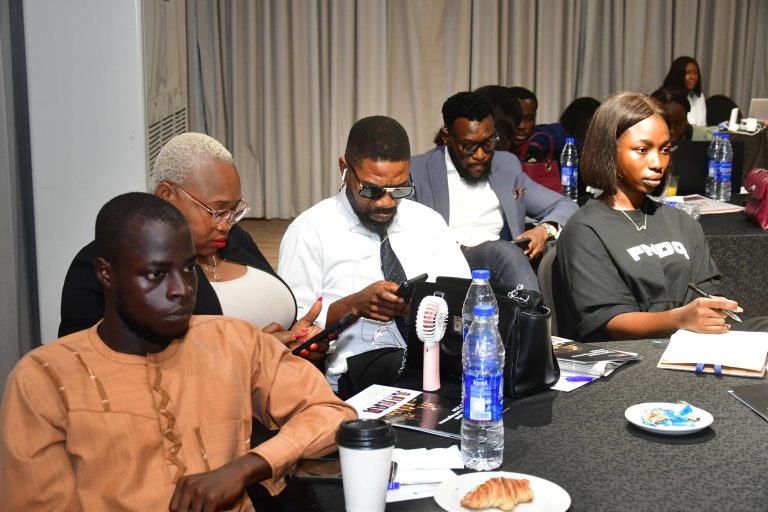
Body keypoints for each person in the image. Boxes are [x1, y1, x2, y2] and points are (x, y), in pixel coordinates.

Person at [0, 192, 356, 510]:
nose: (181, 289)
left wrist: (248, 466)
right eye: (157, 274)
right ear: (106, 275)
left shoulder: (234, 340)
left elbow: (331, 414)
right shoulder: (45, 380)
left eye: (188, 269)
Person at [58, 133, 325, 362]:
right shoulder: (110, 262)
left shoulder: (234, 240)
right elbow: (93, 367)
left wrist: (296, 338)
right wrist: (251, 355)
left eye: (234, 211)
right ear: (167, 195)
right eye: (217, 211)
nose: (227, 224)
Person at [277, 116, 470, 397]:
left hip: (433, 353)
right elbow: (294, 332)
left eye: (400, 188)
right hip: (355, 369)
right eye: (372, 190)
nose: (386, 202)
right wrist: (352, 307)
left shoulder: (429, 222)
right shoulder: (310, 230)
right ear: (344, 169)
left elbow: (464, 301)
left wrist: (418, 308)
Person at [554, 92, 743, 341]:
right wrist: (680, 319)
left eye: (664, 150)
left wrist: (709, 312)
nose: (657, 163)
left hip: (691, 348)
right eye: (642, 150)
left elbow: (707, 292)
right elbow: (608, 321)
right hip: (626, 357)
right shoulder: (585, 230)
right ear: (608, 151)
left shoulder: (682, 222)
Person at [410, 91, 577, 290]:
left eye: (488, 143)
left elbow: (565, 205)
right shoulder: (417, 170)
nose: (481, 155)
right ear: (447, 137)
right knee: (503, 252)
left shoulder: (506, 165)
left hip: (499, 269)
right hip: (444, 265)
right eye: (469, 146)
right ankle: (536, 311)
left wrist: (543, 231)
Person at [651, 86, 716, 142]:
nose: (672, 131)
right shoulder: (646, 137)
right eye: (666, 124)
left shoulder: (704, 137)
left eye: (679, 124)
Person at [663, 56, 706, 126]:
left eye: (695, 72)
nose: (693, 77)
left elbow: (703, 124)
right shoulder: (669, 98)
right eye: (688, 73)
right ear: (678, 75)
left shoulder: (699, 96)